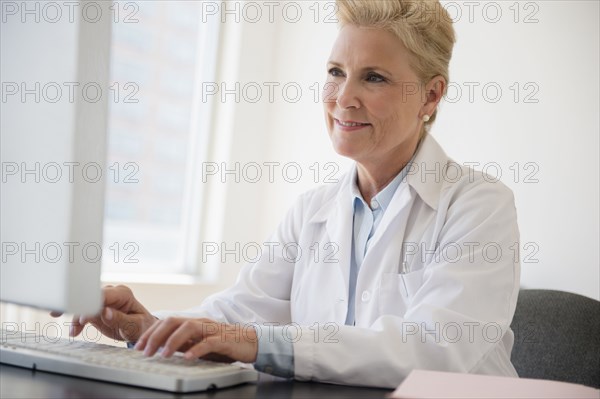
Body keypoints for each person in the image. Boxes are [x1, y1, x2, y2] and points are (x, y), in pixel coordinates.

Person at [61, 0, 521, 388]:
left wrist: (257, 341)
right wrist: (147, 325)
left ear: (430, 96)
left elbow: (435, 352)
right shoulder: (314, 211)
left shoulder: (479, 205)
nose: (343, 98)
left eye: (374, 77)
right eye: (336, 71)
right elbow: (237, 310)